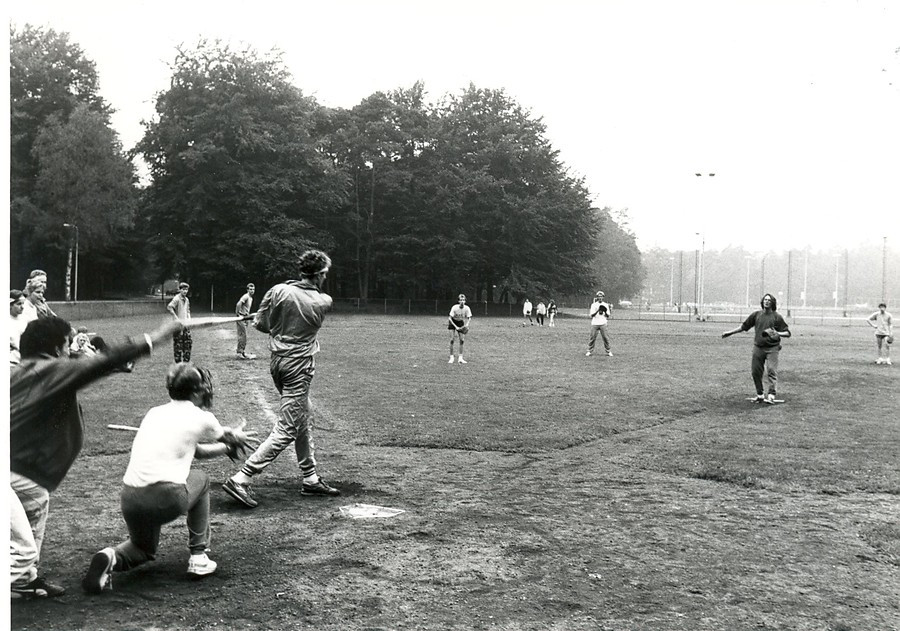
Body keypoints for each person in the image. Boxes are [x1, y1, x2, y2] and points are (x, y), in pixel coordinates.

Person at [10, 316, 183, 598]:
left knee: (29, 520)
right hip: (20, 475)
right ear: (55, 349)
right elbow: (101, 362)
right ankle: (20, 576)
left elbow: (97, 366)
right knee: (25, 544)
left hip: (22, 475)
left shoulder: (20, 371)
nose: (70, 350)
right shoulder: (49, 371)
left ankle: (26, 579)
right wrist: (158, 336)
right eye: (67, 345)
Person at [81, 363, 257, 594]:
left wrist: (226, 448)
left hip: (131, 498)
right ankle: (198, 556)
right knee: (202, 480)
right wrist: (235, 439)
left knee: (143, 549)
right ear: (196, 391)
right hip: (165, 498)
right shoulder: (203, 418)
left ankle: (109, 556)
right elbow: (230, 437)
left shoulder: (154, 413)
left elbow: (198, 451)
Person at [223, 249, 340, 508]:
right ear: (319, 274)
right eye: (325, 274)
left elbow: (262, 324)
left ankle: (310, 478)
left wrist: (269, 317)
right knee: (288, 427)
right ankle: (241, 478)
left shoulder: (278, 290)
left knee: (303, 416)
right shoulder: (324, 301)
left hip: (278, 364)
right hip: (299, 368)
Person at [721, 293, 792, 403]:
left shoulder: (777, 317)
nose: (766, 301)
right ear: (762, 302)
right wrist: (729, 333)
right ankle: (760, 395)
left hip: (772, 348)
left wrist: (777, 333)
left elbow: (787, 333)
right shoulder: (756, 315)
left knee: (771, 370)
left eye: (769, 300)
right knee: (755, 372)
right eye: (765, 300)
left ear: (772, 303)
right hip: (758, 347)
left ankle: (771, 395)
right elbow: (744, 327)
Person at [167, 282, 192, 363]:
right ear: (180, 290)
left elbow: (188, 310)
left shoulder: (187, 300)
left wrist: (189, 318)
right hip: (177, 326)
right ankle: (178, 364)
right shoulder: (176, 298)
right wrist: (176, 318)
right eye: (183, 289)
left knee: (188, 344)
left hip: (186, 326)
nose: (185, 291)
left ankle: (186, 363)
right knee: (178, 345)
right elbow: (169, 307)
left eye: (186, 290)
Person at [586, 291, 613, 357]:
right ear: (597, 297)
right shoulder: (594, 305)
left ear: (603, 297)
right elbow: (592, 315)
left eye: (601, 296)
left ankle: (608, 351)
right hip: (595, 323)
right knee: (592, 337)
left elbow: (608, 315)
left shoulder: (605, 305)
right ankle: (589, 351)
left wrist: (604, 311)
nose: (600, 298)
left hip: (603, 323)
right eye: (599, 296)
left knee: (605, 337)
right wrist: (598, 310)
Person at [448, 293, 472, 364]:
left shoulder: (467, 308)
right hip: (453, 322)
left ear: (465, 301)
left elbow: (469, 318)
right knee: (452, 340)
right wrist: (456, 327)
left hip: (460, 322)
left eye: (463, 300)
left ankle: (460, 358)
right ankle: (451, 357)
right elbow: (450, 318)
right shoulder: (455, 307)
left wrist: (466, 325)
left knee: (462, 340)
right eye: (461, 300)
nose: (462, 301)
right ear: (458, 301)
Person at [235, 283, 256, 360]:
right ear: (247, 290)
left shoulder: (250, 298)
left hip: (245, 318)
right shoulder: (246, 296)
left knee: (244, 336)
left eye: (253, 289)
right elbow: (239, 304)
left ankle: (242, 351)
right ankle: (239, 353)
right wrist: (238, 313)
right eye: (250, 289)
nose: (252, 291)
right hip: (241, 318)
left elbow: (246, 309)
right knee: (243, 335)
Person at [10, 290, 28, 364]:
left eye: (23, 303)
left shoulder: (24, 319)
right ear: (10, 305)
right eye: (19, 304)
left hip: (24, 358)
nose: (22, 307)